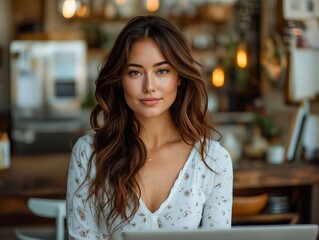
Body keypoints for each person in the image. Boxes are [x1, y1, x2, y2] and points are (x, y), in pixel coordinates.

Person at [67, 15, 233, 240]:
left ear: (179, 77)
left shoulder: (212, 160)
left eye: (162, 71)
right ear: (120, 79)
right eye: (135, 72)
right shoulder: (88, 154)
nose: (149, 86)